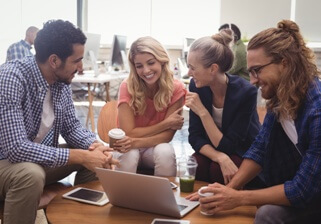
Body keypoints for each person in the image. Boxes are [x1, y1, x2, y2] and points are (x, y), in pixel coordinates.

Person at [187, 20, 321, 224]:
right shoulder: (280, 100)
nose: (253, 80)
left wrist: (238, 198)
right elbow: (260, 149)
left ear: (285, 63)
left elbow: (303, 189)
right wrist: (225, 191)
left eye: (257, 70)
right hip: (315, 189)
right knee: (266, 214)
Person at [0, 20, 119, 224]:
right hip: (7, 162)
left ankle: (80, 220)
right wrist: (78, 155)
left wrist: (94, 146)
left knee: (94, 158)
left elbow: (71, 127)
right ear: (54, 60)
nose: (81, 68)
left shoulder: (60, 81)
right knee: (31, 174)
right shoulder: (11, 78)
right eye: (77, 61)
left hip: (34, 161)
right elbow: (16, 149)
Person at [185, 31, 261, 185]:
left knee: (217, 169)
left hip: (242, 150)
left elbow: (229, 145)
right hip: (215, 148)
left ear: (213, 69)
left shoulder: (246, 92)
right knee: (196, 164)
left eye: (192, 68)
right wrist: (219, 157)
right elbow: (194, 136)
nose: (189, 73)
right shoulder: (197, 85)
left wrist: (203, 112)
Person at [111, 36, 186, 177]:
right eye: (139, 66)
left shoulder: (176, 88)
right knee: (129, 153)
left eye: (151, 63)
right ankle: (123, 196)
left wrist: (135, 142)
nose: (146, 70)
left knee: (165, 151)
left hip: (153, 148)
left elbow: (167, 136)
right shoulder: (127, 86)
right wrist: (166, 123)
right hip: (129, 147)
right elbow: (129, 132)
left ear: (162, 61)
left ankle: (163, 197)